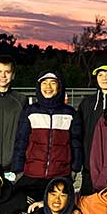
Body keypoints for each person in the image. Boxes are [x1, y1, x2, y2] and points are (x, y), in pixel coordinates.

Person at [10, 71, 83, 200]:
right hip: (32, 174)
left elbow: (76, 142)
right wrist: (18, 170)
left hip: (60, 174)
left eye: (53, 83)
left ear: (59, 86)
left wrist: (75, 168)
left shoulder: (70, 113)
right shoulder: (30, 111)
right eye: (44, 83)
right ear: (39, 86)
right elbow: (21, 142)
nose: (48, 87)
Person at [78, 64, 107, 194]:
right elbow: (79, 132)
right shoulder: (87, 102)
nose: (104, 78)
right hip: (90, 163)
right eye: (100, 75)